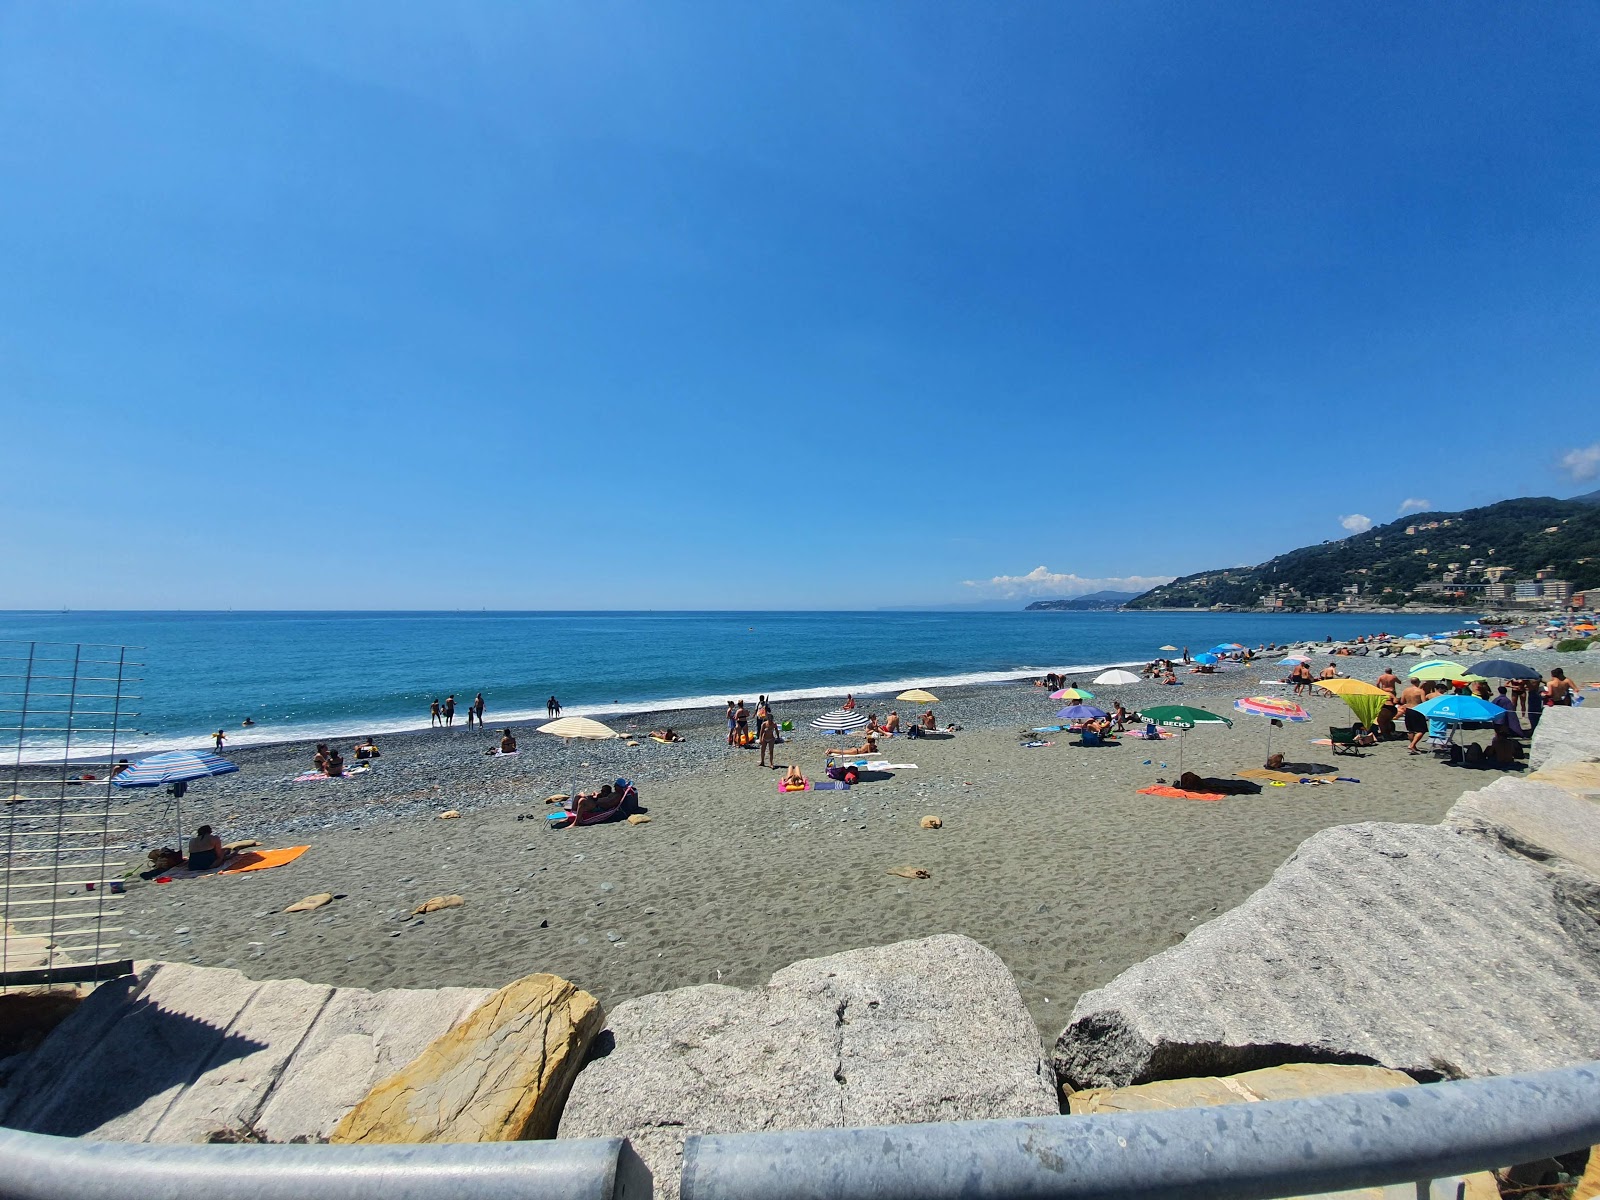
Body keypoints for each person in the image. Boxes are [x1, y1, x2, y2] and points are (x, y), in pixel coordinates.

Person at [1400, 678, 1428, 754]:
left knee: (1411, 730)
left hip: (1408, 710)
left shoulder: (1406, 690)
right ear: (1418, 682)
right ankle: (1412, 745)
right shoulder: (1420, 691)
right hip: (1417, 710)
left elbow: (1402, 701)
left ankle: (1413, 746)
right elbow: (1424, 702)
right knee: (1422, 730)